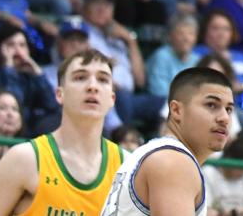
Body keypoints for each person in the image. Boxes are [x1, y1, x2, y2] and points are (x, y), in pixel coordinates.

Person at [0, 49, 122, 216]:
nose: (92, 86)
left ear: (112, 98)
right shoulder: (24, 159)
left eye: (102, 79)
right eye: (80, 77)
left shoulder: (126, 167)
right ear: (60, 94)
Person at [99, 66, 235, 216]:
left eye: (228, 109)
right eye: (211, 105)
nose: (225, 118)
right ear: (176, 110)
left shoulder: (159, 154)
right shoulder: (174, 162)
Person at [0, 27, 60, 136]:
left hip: (26, 135)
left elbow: (53, 106)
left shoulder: (30, 77)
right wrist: (9, 69)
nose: (18, 51)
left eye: (22, 45)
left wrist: (38, 74)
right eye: (10, 45)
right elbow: (15, 103)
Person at [146, 16, 200, 101]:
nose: (186, 38)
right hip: (162, 104)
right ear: (171, 36)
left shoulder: (197, 60)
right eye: (181, 33)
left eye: (191, 34)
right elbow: (158, 91)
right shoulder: (162, 56)